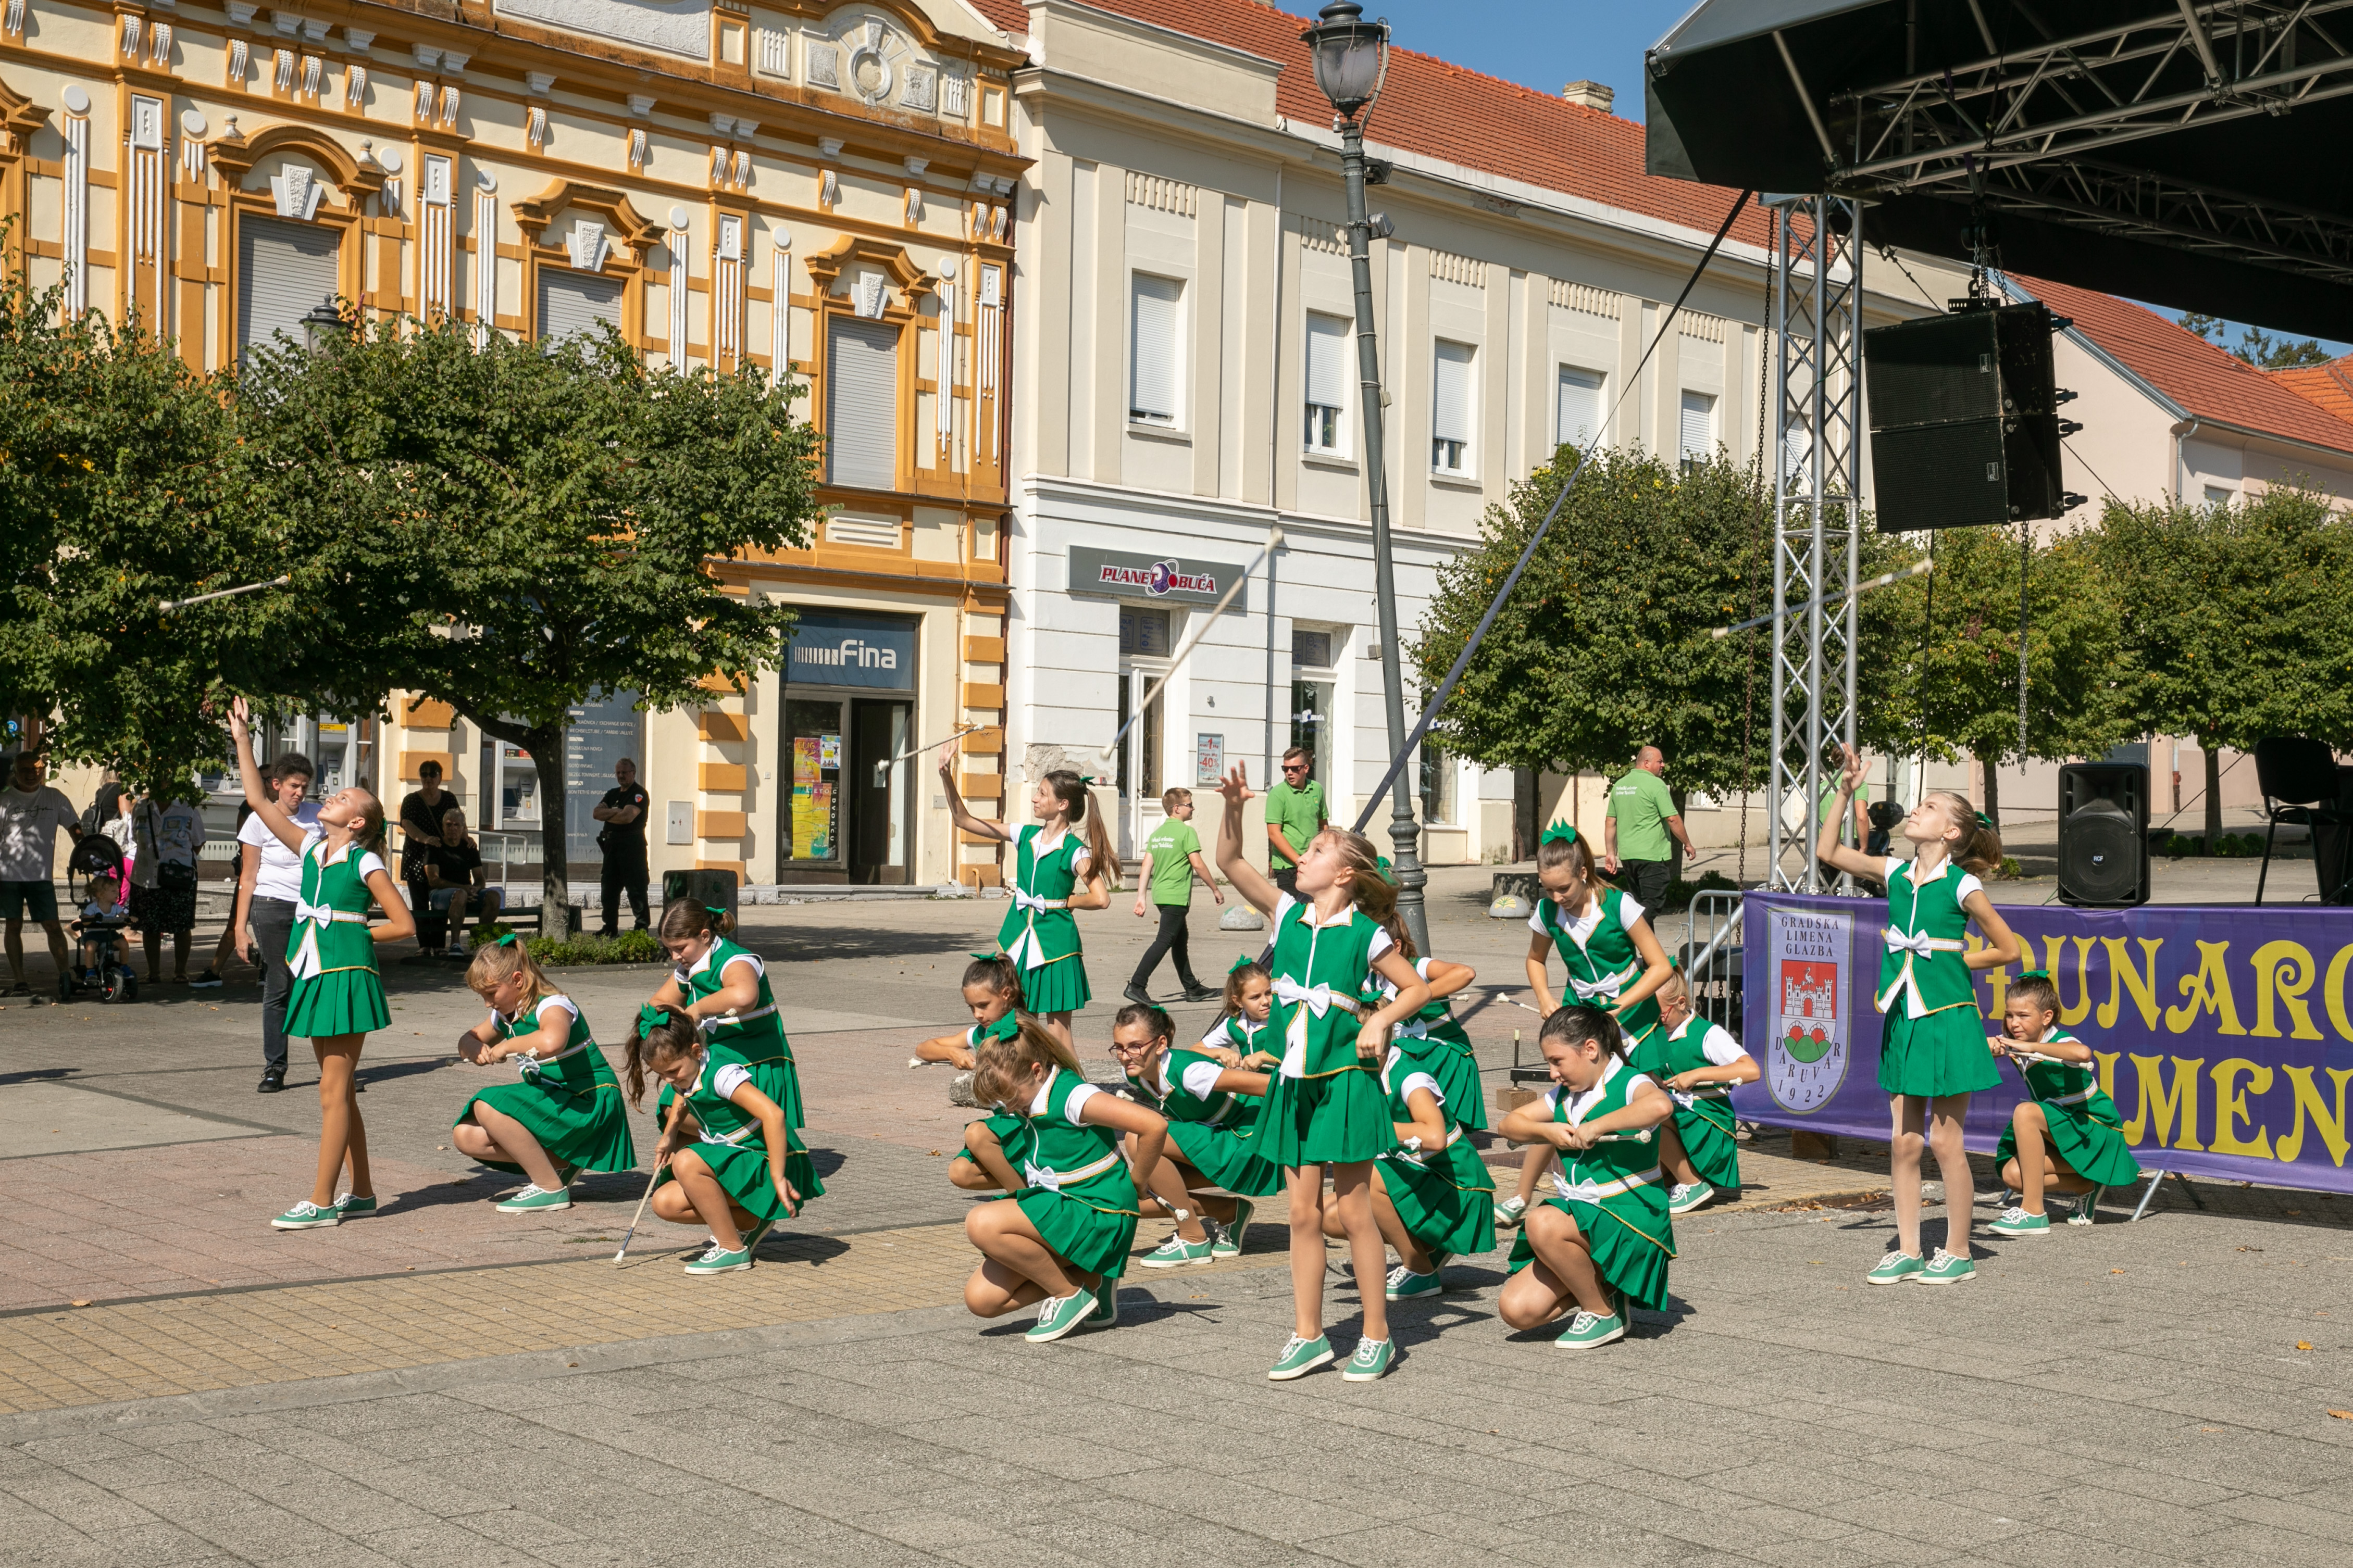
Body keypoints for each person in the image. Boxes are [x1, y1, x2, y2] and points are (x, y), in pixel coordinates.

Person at [1213, 762, 1430, 1383]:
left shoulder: (1363, 934)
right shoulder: (1285, 914)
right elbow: (1230, 860)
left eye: (1312, 850)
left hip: (1343, 1082)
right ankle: (1308, 1334)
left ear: (1343, 873)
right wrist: (1233, 809)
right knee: (1302, 1212)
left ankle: (1375, 1334)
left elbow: (1417, 988)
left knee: (1355, 1209)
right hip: (1294, 1082)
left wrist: (1378, 1019)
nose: (1299, 857)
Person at [1816, 742, 2021, 1286]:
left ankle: (1957, 1250)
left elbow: (2008, 949)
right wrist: (1845, 789)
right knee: (1903, 1140)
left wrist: (1950, 957)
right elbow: (1828, 850)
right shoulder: (1896, 871)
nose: (1915, 809)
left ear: (1951, 831)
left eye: (1928, 806)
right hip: (1902, 1015)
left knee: (1944, 1139)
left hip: (1947, 1017)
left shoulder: (1964, 885)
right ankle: (1908, 1248)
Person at [229, 697, 416, 1231]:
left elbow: (403, 924)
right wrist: (243, 738)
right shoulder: (312, 848)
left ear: (357, 820)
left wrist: (353, 932)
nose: (332, 794)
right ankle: (361, 1191)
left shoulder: (367, 859)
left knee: (333, 1090)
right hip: (313, 973)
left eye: (345, 796)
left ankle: (321, 1200)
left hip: (346, 978)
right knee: (335, 1089)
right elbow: (258, 802)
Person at [1497, 824, 1673, 1231]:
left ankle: (1676, 1181)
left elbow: (1660, 966)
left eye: (1563, 888)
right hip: (1582, 1013)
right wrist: (1544, 997)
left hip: (1632, 1013)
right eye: (1547, 889)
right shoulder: (1546, 912)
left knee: (1647, 1101)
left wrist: (1623, 1004)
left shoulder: (1619, 904)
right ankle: (1521, 1194)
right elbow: (1535, 960)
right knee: (1562, 1101)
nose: (1556, 897)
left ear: (1581, 872)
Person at [960, 1017, 1170, 1341]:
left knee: (982, 1223)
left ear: (1036, 1071)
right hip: (1065, 1207)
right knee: (982, 1301)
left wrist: (1137, 1182)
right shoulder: (1030, 1095)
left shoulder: (1075, 1095)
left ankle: (1069, 1294)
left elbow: (1153, 1126)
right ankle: (1093, 1280)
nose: (1009, 1106)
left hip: (1100, 1211)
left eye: (1012, 1095)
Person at [1496, 1006, 1676, 1349]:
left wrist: (1597, 1125)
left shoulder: (1629, 1081)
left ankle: (1599, 1313)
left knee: (1542, 1222)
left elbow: (1660, 1107)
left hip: (1631, 1215)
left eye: (1557, 1061)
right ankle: (1607, 1292)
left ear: (1590, 1050)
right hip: (1585, 1219)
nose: (1552, 1072)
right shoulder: (1565, 1094)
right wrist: (1546, 1129)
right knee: (1516, 1311)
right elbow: (1508, 1124)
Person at [940, 749, 1115, 1050]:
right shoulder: (1025, 834)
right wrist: (946, 775)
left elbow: (1101, 899)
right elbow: (963, 820)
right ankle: (1019, 1083)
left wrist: (1067, 902)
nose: (1035, 798)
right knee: (1018, 1022)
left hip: (1056, 947)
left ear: (1062, 805)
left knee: (1058, 1031)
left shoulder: (1075, 850)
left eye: (1042, 793)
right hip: (1016, 940)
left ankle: (1073, 1089)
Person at [452, 934, 637, 1213]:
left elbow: (553, 1041)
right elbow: (467, 1039)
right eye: (482, 996)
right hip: (560, 1101)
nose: (487, 1003)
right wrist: (475, 1047)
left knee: (486, 1105)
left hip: (590, 1100)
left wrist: (507, 1045)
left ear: (517, 980)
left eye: (491, 994)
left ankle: (549, 1188)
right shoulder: (505, 1013)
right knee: (466, 1136)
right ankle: (560, 1165)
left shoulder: (553, 1004)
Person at [625, 1004, 814, 1275]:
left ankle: (732, 1250)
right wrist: (669, 1134)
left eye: (673, 1071)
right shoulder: (691, 1070)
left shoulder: (724, 1075)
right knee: (664, 1203)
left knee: (688, 1160)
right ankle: (751, 1220)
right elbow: (683, 1095)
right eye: (661, 1074)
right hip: (739, 1162)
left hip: (767, 1162)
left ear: (696, 1051)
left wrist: (777, 1174)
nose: (668, 1081)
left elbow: (774, 1115)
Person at [1107, 999, 1277, 1268]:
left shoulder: (1191, 1073)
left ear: (1161, 1044)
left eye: (1135, 1047)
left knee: (1141, 1139)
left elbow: (1273, 1086)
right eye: (1119, 1048)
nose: (1126, 1055)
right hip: (1220, 1138)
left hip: (1252, 1143)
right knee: (1153, 1178)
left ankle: (1193, 1238)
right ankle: (1229, 1212)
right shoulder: (1135, 1072)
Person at [1988, 970, 2142, 1236]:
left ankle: (2033, 1212)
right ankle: (2085, 1184)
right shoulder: (2017, 1042)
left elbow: (2082, 1053)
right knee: (2013, 1176)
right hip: (2061, 1132)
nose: (2014, 1023)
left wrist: (2030, 1049)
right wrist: (1988, 1047)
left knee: (2025, 1111)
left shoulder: (2058, 1040)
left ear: (2047, 1017)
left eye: (2024, 1016)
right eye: (2010, 1015)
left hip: (2094, 1129)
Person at [1347, 1034, 1497, 1303]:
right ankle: (1428, 1246)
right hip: (1425, 1181)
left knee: (1366, 1180)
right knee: (1335, 1213)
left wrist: (1370, 1128)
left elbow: (1435, 1137)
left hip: (1458, 1189)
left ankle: (1419, 1268)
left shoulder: (1409, 1076)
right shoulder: (1361, 1071)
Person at [641, 901, 802, 1139]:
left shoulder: (736, 960)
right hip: (717, 1054)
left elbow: (744, 996)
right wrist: (674, 1016)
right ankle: (714, 1150)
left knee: (695, 1110)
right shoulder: (689, 967)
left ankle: (734, 1147)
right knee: (671, 1109)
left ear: (705, 936)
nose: (674, 956)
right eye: (669, 949)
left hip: (755, 1057)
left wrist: (696, 1009)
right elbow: (655, 1004)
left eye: (680, 948)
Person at [1630, 966, 1760, 1216]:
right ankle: (1673, 1178)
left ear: (1681, 1003)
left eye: (1660, 1013)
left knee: (1651, 1114)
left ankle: (1691, 1182)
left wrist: (1698, 1074)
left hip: (1708, 1121)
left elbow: (1751, 1070)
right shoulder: (1653, 1034)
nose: (1656, 1019)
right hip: (1682, 1120)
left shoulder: (1708, 1034)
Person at [236, 752, 320, 1092]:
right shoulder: (259, 819)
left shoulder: (318, 816)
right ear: (276, 785)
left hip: (312, 909)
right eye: (293, 786)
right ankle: (275, 1067)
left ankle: (335, 1069)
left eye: (304, 787)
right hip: (271, 906)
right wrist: (240, 928)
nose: (299, 793)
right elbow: (248, 875)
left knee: (317, 983)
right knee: (279, 984)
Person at [1127, 786, 1223, 1006]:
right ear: (1177, 808)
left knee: (1180, 940)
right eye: (1190, 804)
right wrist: (1215, 889)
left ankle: (1192, 988)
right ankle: (1137, 985)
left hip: (1160, 894)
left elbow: (1146, 866)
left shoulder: (1157, 834)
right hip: (1176, 895)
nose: (1193, 808)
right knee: (1165, 940)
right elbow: (1197, 863)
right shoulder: (1186, 832)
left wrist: (1141, 897)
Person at [0, 751, 81, 996]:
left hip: (41, 876)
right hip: (9, 876)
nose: (32, 774)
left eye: (37, 769)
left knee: (53, 926)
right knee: (13, 926)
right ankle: (20, 981)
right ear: (15, 772)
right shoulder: (4, 800)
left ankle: (66, 975)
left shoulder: (55, 797)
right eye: (25, 770)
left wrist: (86, 854)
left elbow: (75, 830)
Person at [1602, 746, 1692, 912]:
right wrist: (1687, 843)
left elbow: (1610, 822)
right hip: (1651, 856)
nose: (1663, 765)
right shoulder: (1656, 785)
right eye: (1660, 761)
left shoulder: (1619, 786)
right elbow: (1672, 818)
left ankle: (1644, 939)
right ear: (1646, 763)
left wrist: (1610, 854)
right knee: (1652, 903)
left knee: (1639, 905)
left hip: (1628, 857)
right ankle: (1625, 933)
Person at [129, 789, 206, 985]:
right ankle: (153, 972)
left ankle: (180, 971)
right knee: (150, 926)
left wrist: (177, 860)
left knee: (182, 926)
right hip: (146, 875)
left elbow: (198, 842)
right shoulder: (140, 807)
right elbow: (137, 838)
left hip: (179, 876)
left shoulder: (188, 808)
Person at [421, 807, 501, 956]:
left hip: (465, 892)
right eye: (449, 825)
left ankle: (482, 942)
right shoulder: (434, 847)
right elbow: (434, 881)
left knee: (494, 896)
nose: (452, 828)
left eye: (456, 825)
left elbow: (479, 878)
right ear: (443, 826)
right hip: (440, 895)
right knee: (460, 895)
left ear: (464, 828)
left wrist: (475, 889)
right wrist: (463, 889)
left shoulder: (469, 848)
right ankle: (455, 944)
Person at [592, 758, 652, 937]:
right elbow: (596, 813)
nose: (621, 776)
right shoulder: (612, 794)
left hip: (632, 847)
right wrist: (616, 812)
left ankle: (641, 928)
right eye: (618, 773)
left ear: (633, 773)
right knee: (608, 889)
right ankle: (609, 927)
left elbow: (627, 817)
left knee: (636, 890)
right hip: (611, 847)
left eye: (624, 772)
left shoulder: (639, 793)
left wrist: (610, 814)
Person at [1262, 746, 1327, 899]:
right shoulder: (1278, 794)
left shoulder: (1317, 789)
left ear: (1306, 768)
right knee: (1293, 913)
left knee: (1315, 911)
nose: (1289, 773)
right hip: (1288, 867)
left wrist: (1323, 853)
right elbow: (1274, 833)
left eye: (1294, 769)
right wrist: (1299, 860)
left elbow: (1323, 825)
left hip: (1313, 863)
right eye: (1285, 769)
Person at [397, 759, 456, 921]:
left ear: (440, 778)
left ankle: (438, 946)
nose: (428, 778)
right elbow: (407, 824)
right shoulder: (411, 800)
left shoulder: (449, 798)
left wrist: (466, 840)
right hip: (416, 859)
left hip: (442, 859)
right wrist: (426, 839)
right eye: (424, 774)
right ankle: (424, 945)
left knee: (442, 902)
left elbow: (457, 822)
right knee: (420, 904)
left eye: (432, 774)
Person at [73, 869, 133, 982]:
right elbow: (85, 921)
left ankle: (124, 966)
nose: (117, 893)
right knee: (90, 947)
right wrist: (89, 919)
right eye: (113, 891)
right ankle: (90, 971)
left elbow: (123, 917)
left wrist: (129, 919)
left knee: (124, 944)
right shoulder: (93, 907)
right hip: (94, 934)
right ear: (101, 894)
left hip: (110, 933)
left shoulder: (115, 907)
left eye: (117, 890)